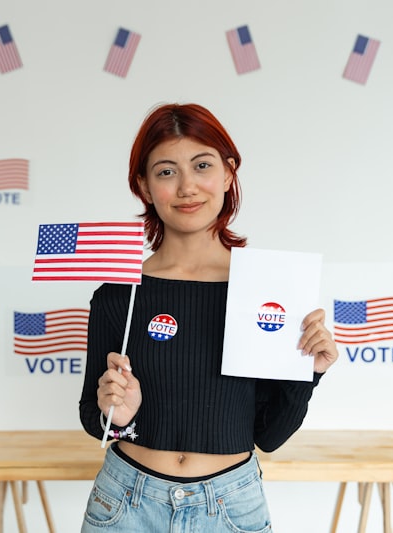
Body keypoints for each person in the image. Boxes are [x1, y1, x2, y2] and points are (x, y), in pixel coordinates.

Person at [79, 103, 338, 532]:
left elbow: (270, 436)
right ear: (144, 186)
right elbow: (94, 417)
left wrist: (308, 373)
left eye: (202, 166)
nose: (187, 187)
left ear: (229, 173)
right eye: (166, 172)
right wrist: (118, 417)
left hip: (231, 507)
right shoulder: (118, 295)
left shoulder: (268, 290)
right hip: (125, 504)